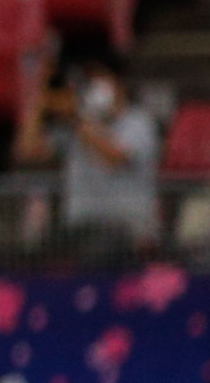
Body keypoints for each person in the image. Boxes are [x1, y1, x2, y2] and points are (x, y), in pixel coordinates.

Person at [17, 61, 161, 255]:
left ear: (119, 86)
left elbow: (116, 158)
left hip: (127, 227)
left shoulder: (139, 122)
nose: (94, 89)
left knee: (101, 251)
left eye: (101, 82)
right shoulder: (76, 126)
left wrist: (79, 118)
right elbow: (28, 152)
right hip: (80, 225)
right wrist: (39, 104)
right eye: (90, 84)